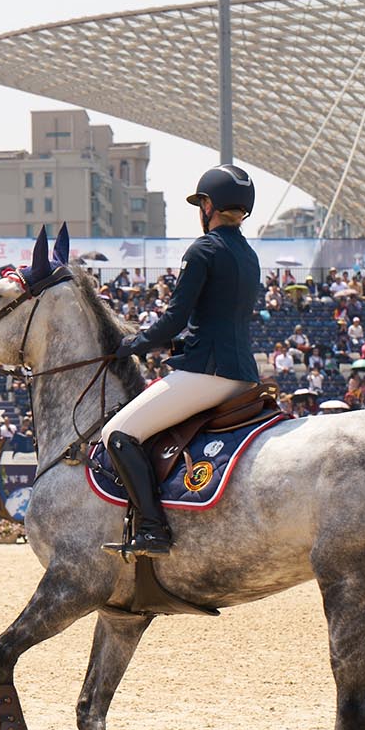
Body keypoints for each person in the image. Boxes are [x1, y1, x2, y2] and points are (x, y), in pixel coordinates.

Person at [99, 164, 263, 557]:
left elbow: (173, 319)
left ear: (209, 205)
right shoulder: (249, 254)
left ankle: (154, 529)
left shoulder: (204, 250)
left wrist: (131, 345)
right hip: (244, 374)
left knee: (117, 434)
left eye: (200, 203)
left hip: (208, 373)